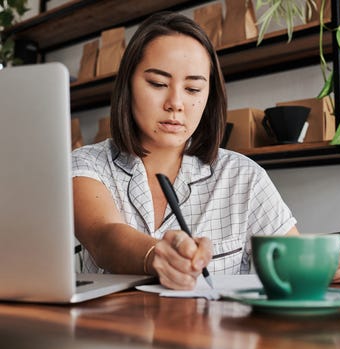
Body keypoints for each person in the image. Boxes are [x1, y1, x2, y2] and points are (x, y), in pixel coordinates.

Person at [72, 10, 304, 291]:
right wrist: (156, 254)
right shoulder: (87, 164)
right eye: (158, 84)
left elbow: (297, 266)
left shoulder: (244, 177)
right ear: (127, 86)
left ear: (209, 97)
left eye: (193, 89)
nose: (175, 103)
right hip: (111, 335)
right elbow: (103, 237)